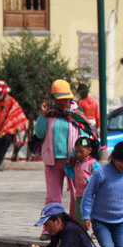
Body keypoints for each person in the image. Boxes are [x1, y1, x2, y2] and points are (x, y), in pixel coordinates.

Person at [33, 79, 94, 237]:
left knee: (76, 195)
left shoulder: (76, 113)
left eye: (65, 99)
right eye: (59, 100)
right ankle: (49, 229)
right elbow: (39, 133)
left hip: (73, 162)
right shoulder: (49, 114)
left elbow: (85, 135)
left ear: (70, 98)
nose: (62, 103)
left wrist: (75, 155)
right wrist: (42, 115)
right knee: (53, 197)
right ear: (54, 99)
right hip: (52, 162)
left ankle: (75, 228)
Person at [64, 136, 101, 224]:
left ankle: (96, 230)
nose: (79, 154)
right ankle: (81, 233)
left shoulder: (93, 163)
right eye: (77, 152)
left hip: (92, 196)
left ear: (89, 150)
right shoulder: (77, 164)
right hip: (79, 195)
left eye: (82, 151)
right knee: (79, 216)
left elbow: (99, 175)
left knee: (92, 215)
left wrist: (89, 180)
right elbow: (72, 175)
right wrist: (67, 167)